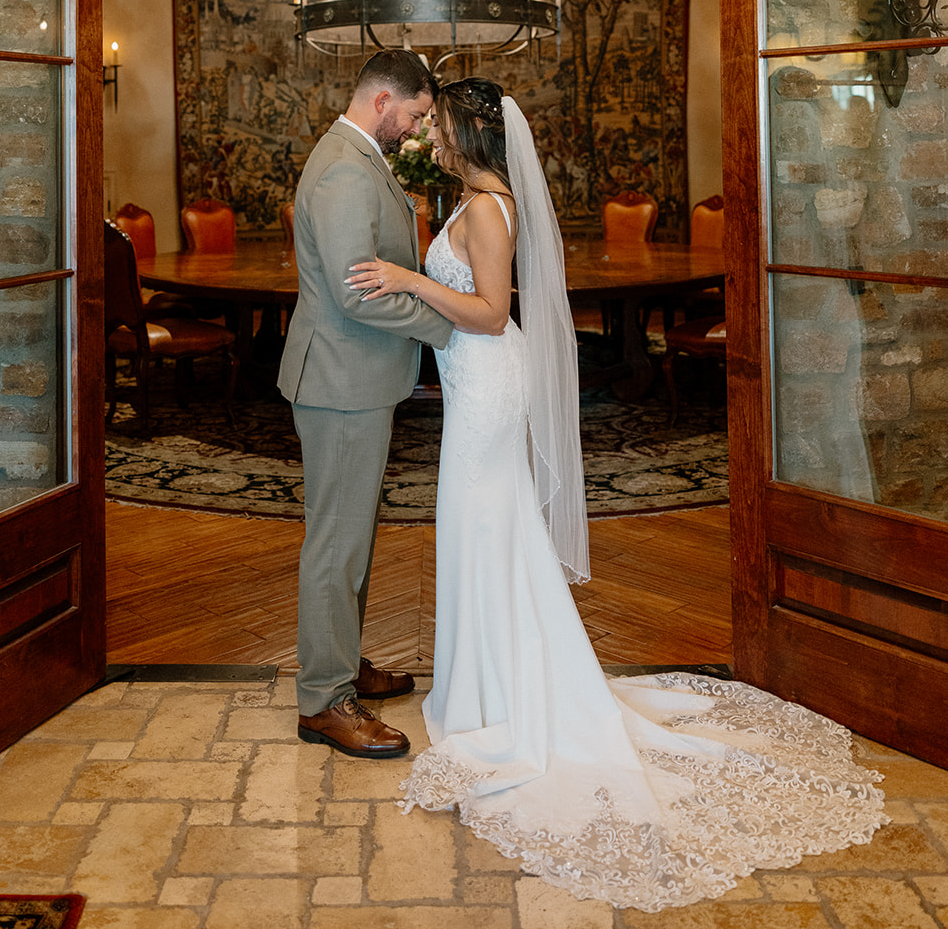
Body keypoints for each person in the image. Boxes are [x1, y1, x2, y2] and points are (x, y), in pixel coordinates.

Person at [347, 78, 886, 911]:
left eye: (444, 126)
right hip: (473, 381)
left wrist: (406, 278)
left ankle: (505, 694)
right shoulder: (476, 198)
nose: (435, 138)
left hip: (487, 381)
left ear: (473, 135)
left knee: (481, 523)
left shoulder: (487, 208)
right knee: (482, 530)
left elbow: (490, 314)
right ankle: (488, 685)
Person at [278, 49, 454, 760]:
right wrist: (446, 328)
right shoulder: (348, 170)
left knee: (349, 536)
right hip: (340, 381)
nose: (413, 131)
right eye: (413, 115)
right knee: (335, 542)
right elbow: (357, 292)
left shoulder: (351, 157)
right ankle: (324, 700)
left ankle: (342, 664)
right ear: (382, 100)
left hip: (351, 378)